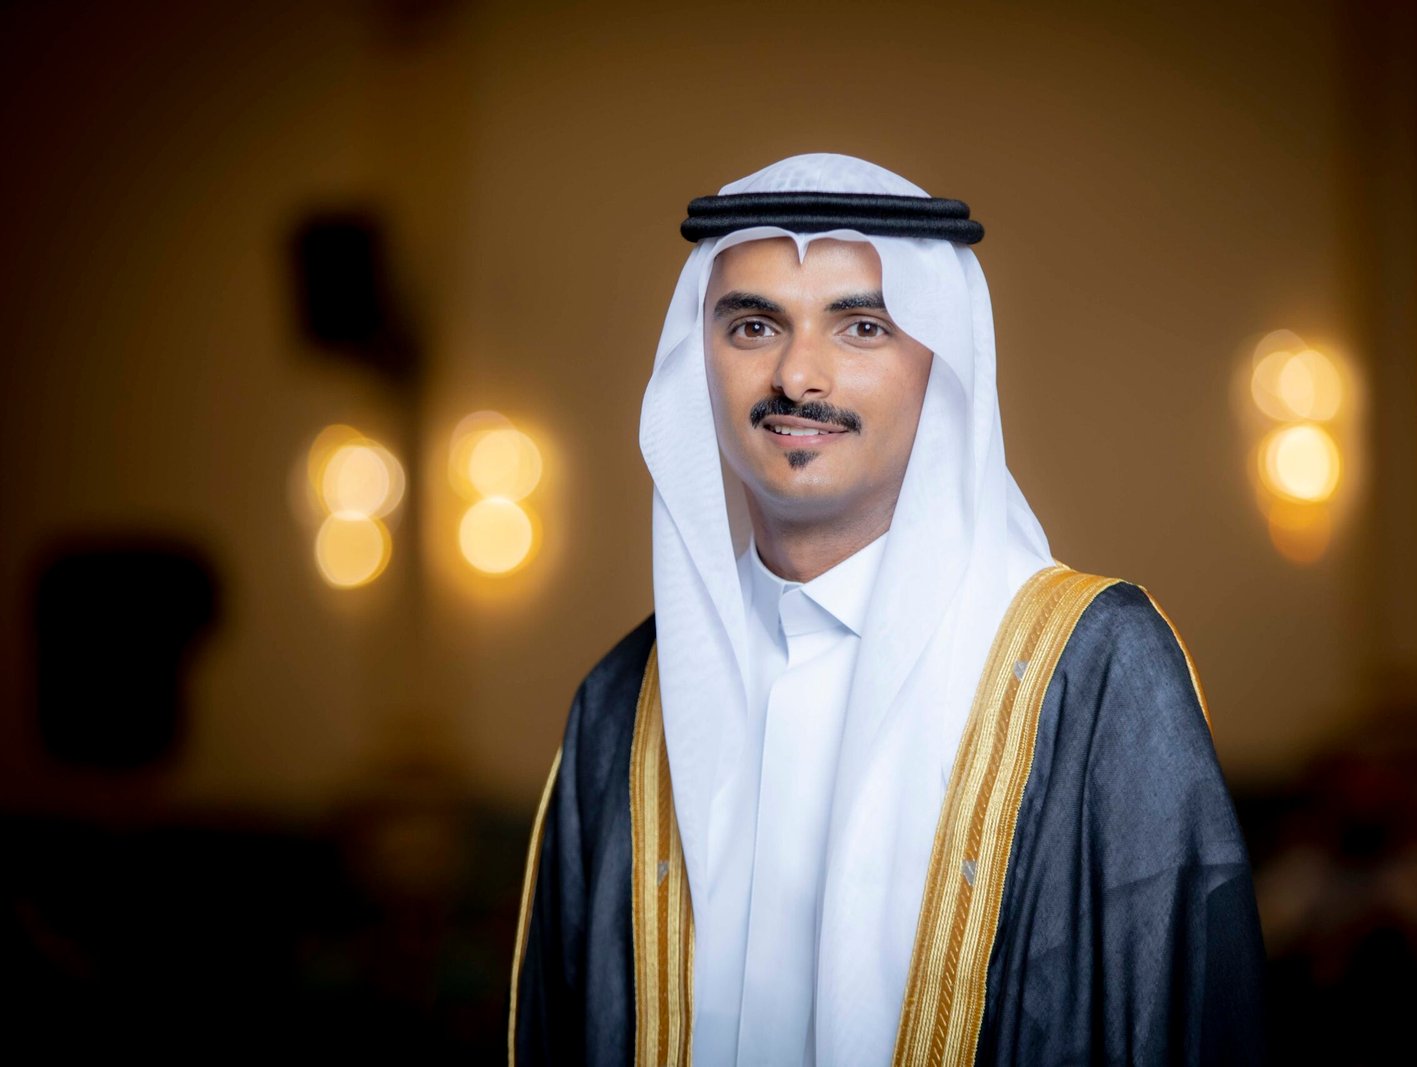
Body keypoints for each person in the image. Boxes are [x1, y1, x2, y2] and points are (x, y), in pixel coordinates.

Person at [509, 154, 1265, 1066]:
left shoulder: (1095, 670)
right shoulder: (621, 704)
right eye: (753, 326)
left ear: (939, 360)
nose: (798, 375)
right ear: (698, 359)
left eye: (862, 327)